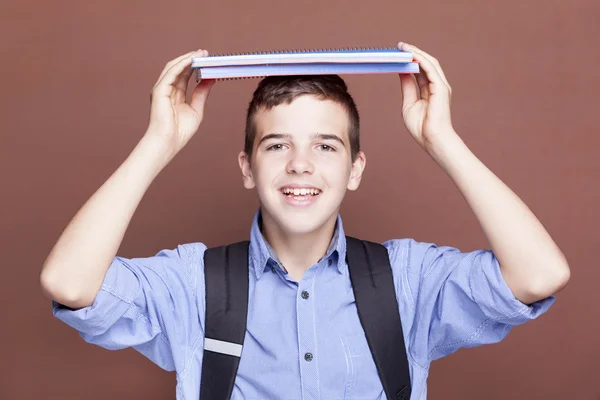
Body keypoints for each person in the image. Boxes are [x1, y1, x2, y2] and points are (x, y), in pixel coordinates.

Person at [40, 42, 570, 399]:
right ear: (247, 168)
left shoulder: (408, 279)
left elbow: (537, 275)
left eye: (326, 145)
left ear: (354, 169)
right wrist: (159, 143)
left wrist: (442, 140)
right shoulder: (191, 284)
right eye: (277, 145)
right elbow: (70, 283)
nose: (300, 164)